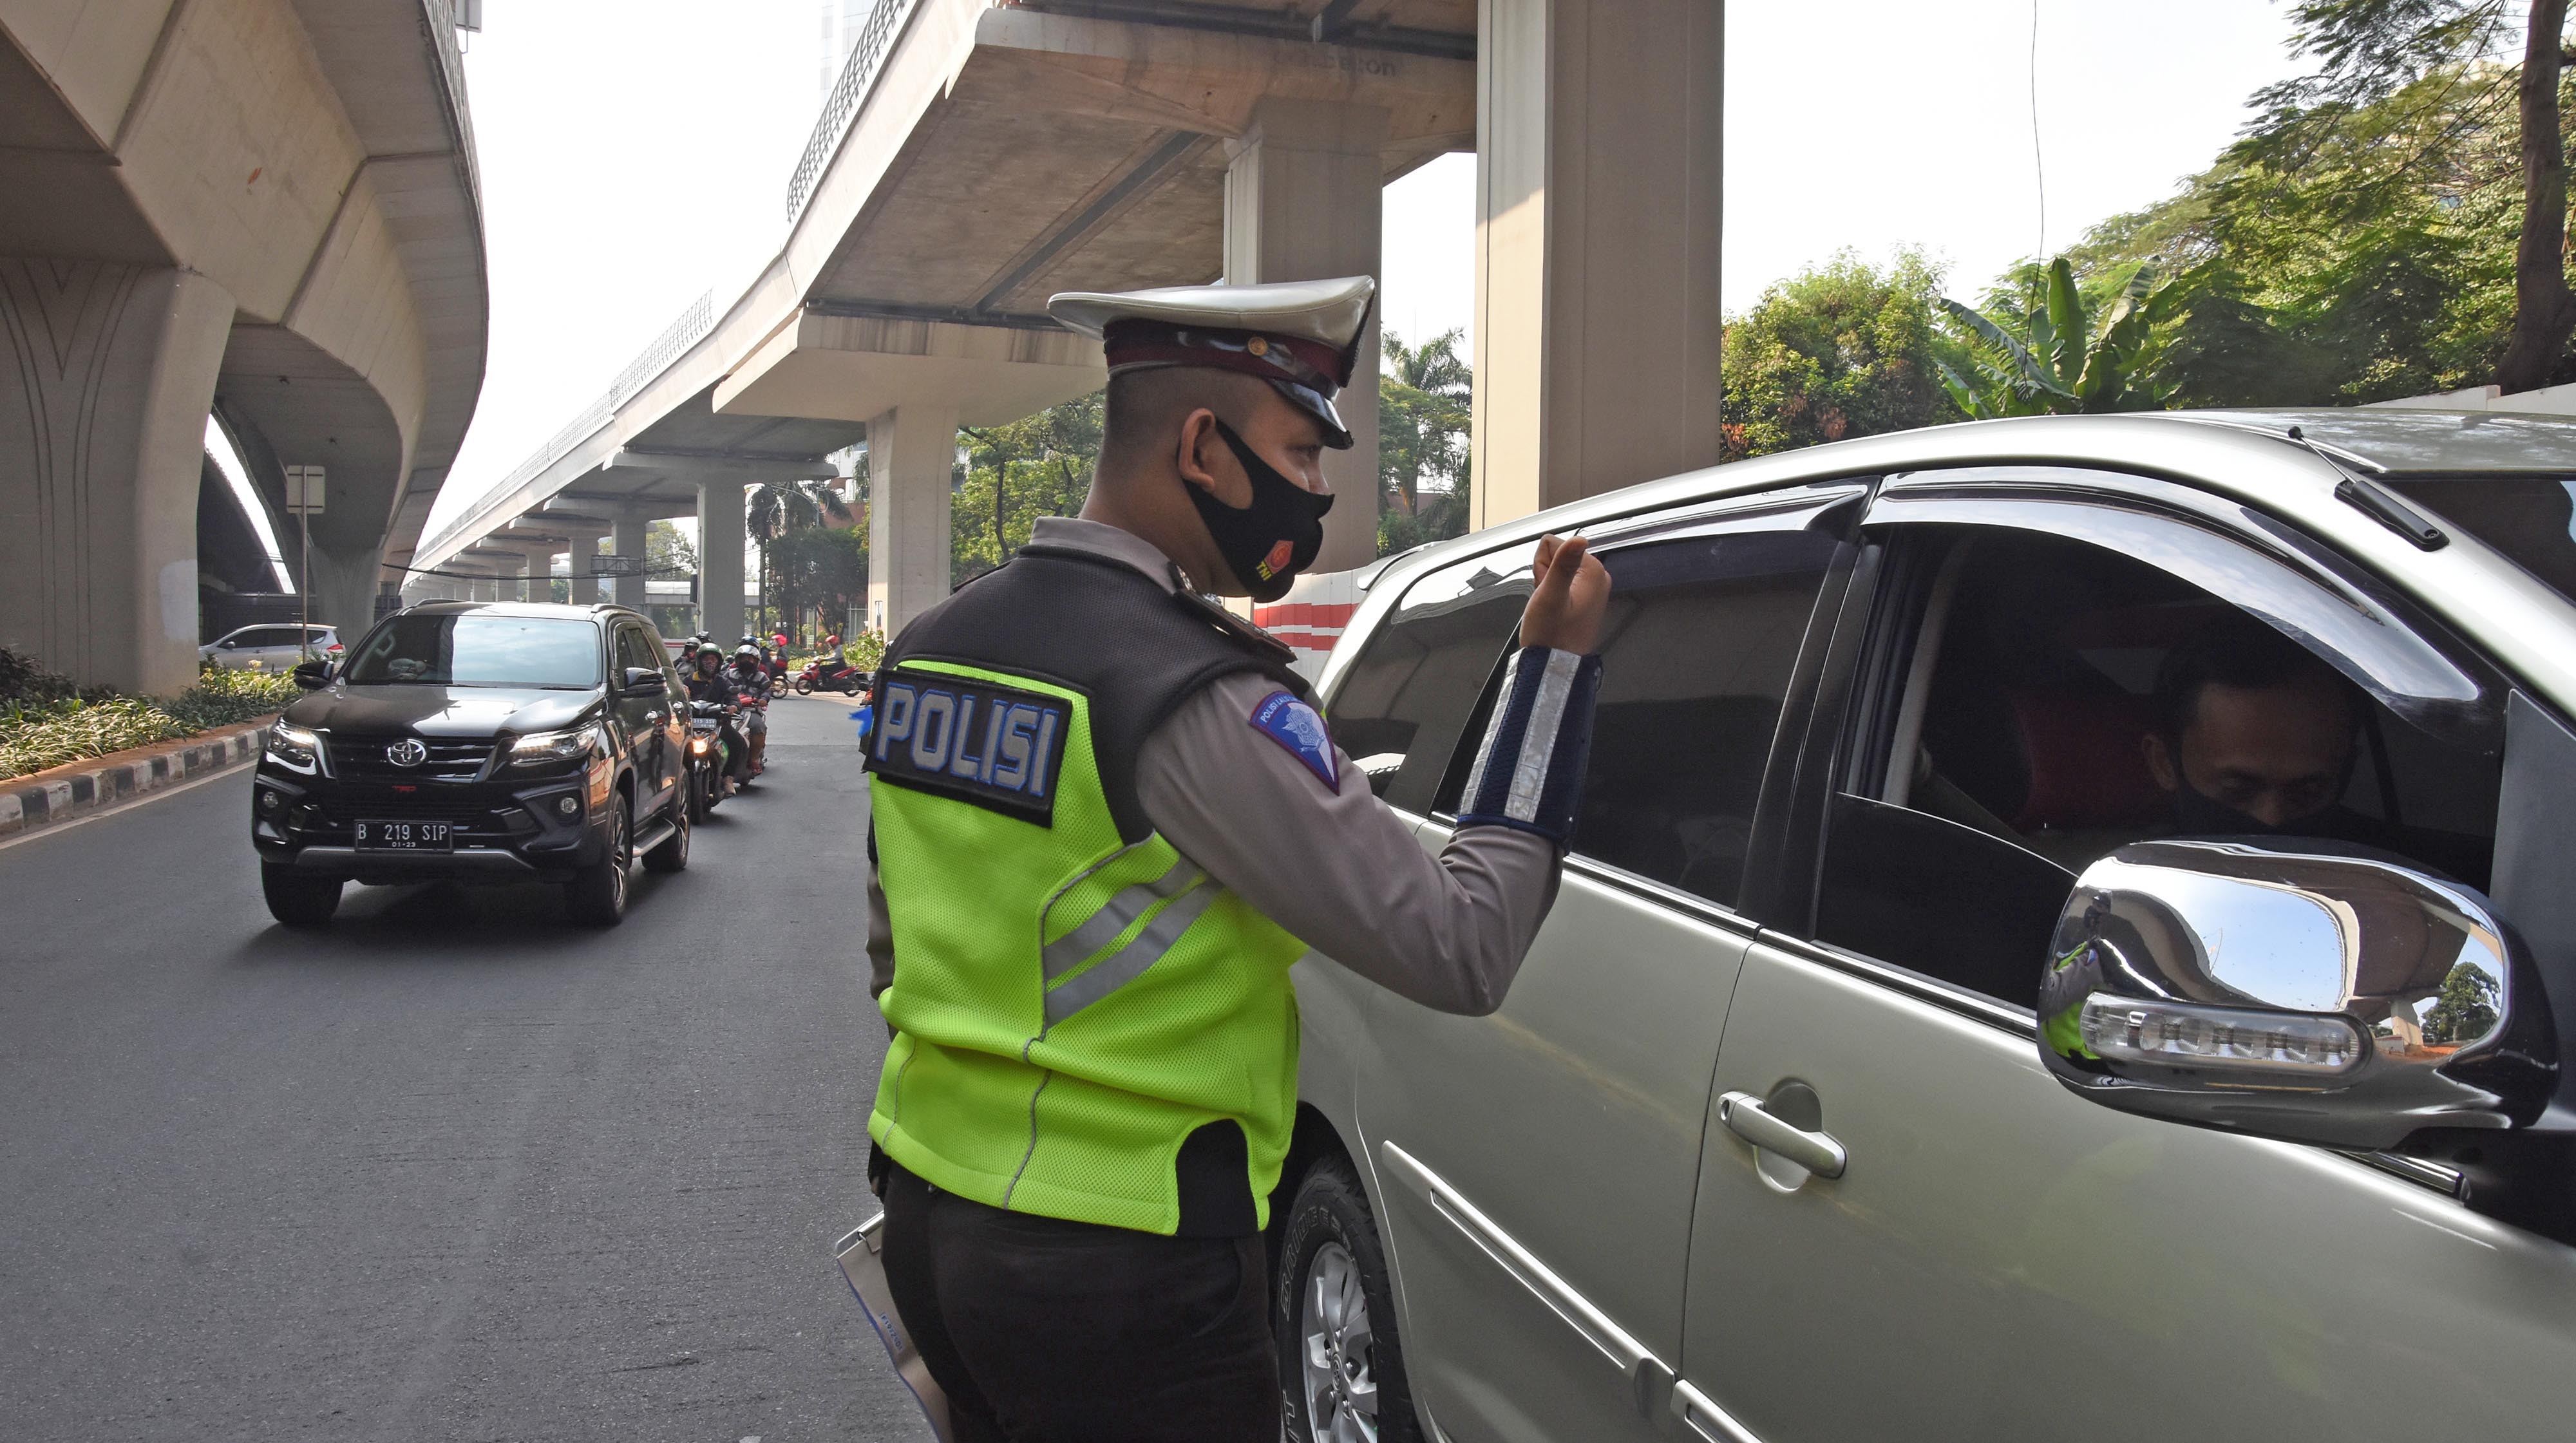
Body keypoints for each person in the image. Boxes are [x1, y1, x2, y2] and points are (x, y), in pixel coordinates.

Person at [860, 275, 1611, 1443]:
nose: (1314, 493)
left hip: (929, 1221)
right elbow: (1462, 945)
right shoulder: (1187, 694)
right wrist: (1552, 679)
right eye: (1303, 453)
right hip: (1122, 1272)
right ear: (1204, 447)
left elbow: (892, 937)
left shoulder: (933, 650)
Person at [728, 644, 770, 775]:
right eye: (744, 658)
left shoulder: (761, 677)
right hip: (731, 709)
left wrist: (763, 699)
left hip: (751, 710)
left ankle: (754, 759)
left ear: (757, 661)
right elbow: (720, 687)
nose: (747, 662)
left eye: (750, 659)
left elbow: (767, 691)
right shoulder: (729, 674)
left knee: (759, 728)